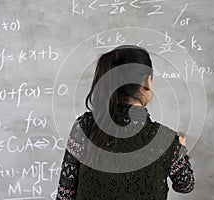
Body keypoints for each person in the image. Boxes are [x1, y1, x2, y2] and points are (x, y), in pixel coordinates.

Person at [56, 45, 195, 200]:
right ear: (147, 82)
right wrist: (180, 149)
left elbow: (65, 194)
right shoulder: (165, 139)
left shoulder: (84, 126)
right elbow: (185, 185)